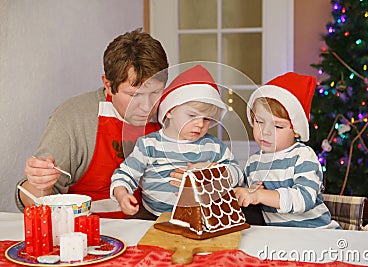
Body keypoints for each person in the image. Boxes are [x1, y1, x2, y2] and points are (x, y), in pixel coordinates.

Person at [15, 28, 169, 219]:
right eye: (134, 95)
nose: (147, 106)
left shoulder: (173, 112)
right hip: (86, 233)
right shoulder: (73, 118)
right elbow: (32, 199)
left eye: (155, 92)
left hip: (153, 230)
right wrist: (40, 184)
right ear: (108, 85)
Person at [110, 64, 243, 218]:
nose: (200, 124)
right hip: (153, 216)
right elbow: (125, 174)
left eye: (206, 119)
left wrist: (210, 172)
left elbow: (238, 175)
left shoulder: (213, 147)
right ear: (171, 110)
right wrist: (122, 195)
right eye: (192, 116)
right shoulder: (149, 144)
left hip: (200, 217)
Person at [233, 72, 340, 229]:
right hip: (279, 239)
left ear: (296, 130)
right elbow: (251, 202)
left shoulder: (302, 156)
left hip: (317, 234)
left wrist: (260, 195)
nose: (266, 131)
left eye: (277, 126)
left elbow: (304, 198)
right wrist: (250, 193)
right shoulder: (253, 163)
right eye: (259, 122)